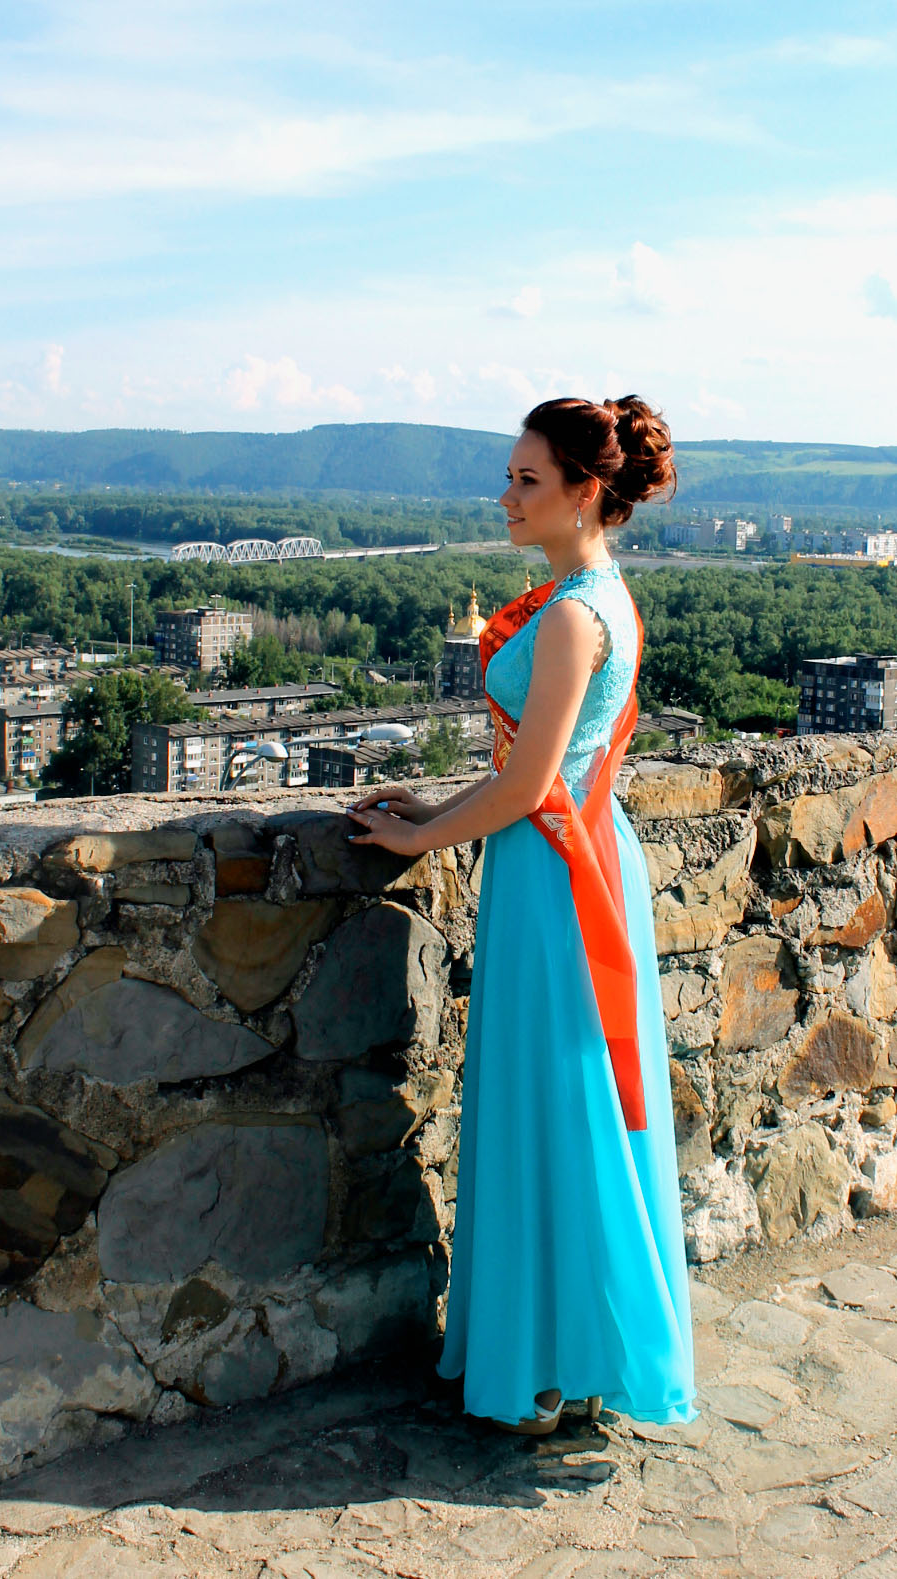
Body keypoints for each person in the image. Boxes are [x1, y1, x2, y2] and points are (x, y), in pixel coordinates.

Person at [345, 395, 697, 1433]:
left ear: (584, 492)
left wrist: (416, 840)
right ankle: (571, 1356)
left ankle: (546, 1364)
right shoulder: (600, 597)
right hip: (574, 854)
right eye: (508, 476)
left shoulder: (575, 616)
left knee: (555, 1099)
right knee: (570, 1099)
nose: (504, 495)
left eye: (526, 480)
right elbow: (536, 773)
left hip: (552, 877)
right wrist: (431, 807)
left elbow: (527, 785)